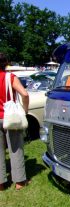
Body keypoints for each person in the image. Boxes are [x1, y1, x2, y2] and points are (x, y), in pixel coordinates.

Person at [0, 52, 29, 191]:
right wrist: (25, 110)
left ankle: (0, 183)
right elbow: (25, 94)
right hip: (10, 117)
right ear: (5, 63)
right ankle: (19, 182)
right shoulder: (9, 77)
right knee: (15, 148)